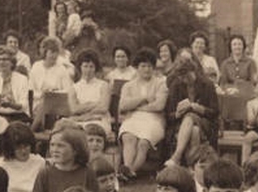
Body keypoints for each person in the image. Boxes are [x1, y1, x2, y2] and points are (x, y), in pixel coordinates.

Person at [118, 48, 168, 180]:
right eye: (143, 66)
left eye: (150, 66)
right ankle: (128, 169)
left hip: (154, 120)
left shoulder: (161, 84)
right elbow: (123, 105)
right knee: (128, 137)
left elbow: (159, 105)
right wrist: (142, 99)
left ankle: (128, 172)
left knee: (143, 143)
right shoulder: (128, 86)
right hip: (133, 119)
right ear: (137, 68)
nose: (147, 69)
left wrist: (136, 108)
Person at [164, 56, 219, 167]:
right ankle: (192, 167)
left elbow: (215, 112)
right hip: (180, 124)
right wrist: (177, 114)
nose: (183, 79)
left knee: (190, 115)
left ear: (193, 71)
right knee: (194, 131)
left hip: (205, 123)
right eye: (181, 77)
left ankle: (176, 157)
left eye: (186, 76)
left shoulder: (207, 84)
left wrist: (196, 107)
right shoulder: (176, 85)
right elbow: (168, 115)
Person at [0, 45, 31, 160]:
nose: (2, 62)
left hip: (18, 115)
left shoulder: (22, 79)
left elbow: (23, 105)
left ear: (11, 62)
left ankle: (7, 156)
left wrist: (10, 104)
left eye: (5, 59)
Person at [29, 36, 75, 132]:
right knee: (43, 103)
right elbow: (30, 89)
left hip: (57, 106)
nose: (54, 56)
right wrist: (41, 94)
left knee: (47, 101)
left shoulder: (61, 69)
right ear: (45, 52)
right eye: (51, 52)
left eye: (56, 53)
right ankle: (36, 129)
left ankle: (31, 130)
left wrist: (55, 92)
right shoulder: (36, 66)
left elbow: (68, 90)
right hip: (37, 102)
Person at [71, 49, 113, 141]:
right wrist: (94, 104)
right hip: (81, 120)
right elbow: (74, 109)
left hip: (99, 120)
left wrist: (83, 110)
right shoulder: (74, 87)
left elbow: (103, 108)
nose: (88, 70)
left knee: (89, 131)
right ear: (80, 67)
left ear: (95, 68)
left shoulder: (103, 85)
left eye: (91, 67)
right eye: (85, 66)